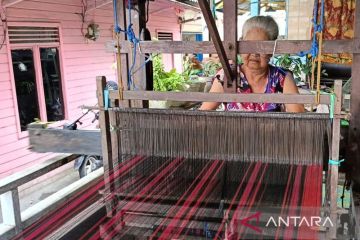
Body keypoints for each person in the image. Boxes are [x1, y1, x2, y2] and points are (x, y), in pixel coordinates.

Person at [199, 16, 305, 113]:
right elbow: (202, 115)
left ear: (272, 50)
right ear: (240, 45)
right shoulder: (227, 76)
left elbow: (300, 119)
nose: (254, 53)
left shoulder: (282, 78)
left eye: (262, 47)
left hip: (272, 133)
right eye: (249, 46)